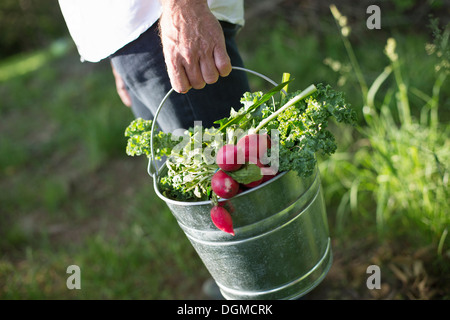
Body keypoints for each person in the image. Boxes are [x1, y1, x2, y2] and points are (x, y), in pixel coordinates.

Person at [58, 0, 250, 134]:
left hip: (166, 21)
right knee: (192, 183)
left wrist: (183, 7)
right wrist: (115, 49)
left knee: (238, 172)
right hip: (135, 38)